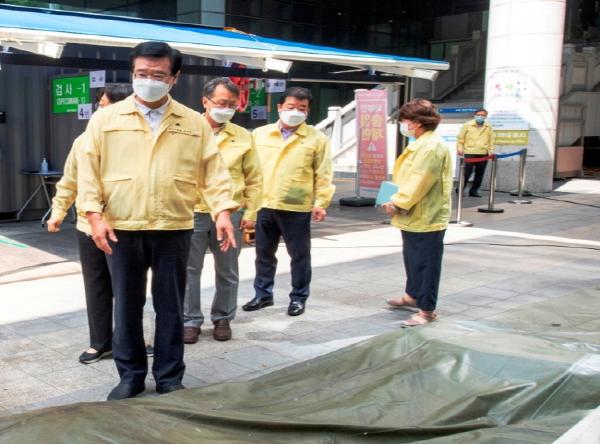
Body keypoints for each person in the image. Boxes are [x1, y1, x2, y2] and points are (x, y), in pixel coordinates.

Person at [76, 41, 239, 401]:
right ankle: (131, 376)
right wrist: (93, 215)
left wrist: (223, 210)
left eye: (158, 74)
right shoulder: (105, 119)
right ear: (132, 73)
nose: (148, 80)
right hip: (122, 226)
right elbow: (88, 170)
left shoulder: (193, 122)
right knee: (126, 305)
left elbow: (213, 172)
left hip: (173, 226)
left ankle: (169, 376)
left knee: (170, 306)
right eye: (142, 73)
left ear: (174, 78)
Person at [47, 83, 157, 364]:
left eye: (105, 105)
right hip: (88, 226)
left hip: (123, 227)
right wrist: (59, 210)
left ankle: (134, 340)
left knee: (128, 288)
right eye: (99, 105)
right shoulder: (83, 140)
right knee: (96, 286)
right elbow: (70, 179)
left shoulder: (140, 140)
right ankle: (100, 342)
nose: (99, 110)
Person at [242, 87, 335, 317]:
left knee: (299, 256)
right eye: (290, 107)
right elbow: (248, 170)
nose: (295, 112)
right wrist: (247, 202)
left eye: (302, 108)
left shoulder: (317, 139)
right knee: (263, 253)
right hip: (264, 204)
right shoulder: (260, 134)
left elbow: (323, 173)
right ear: (279, 107)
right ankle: (263, 294)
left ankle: (299, 298)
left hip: (296, 206)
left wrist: (321, 202)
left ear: (308, 111)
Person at [183, 77, 262, 344]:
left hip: (230, 212)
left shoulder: (243, 136)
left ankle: (223, 318)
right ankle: (190, 320)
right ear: (205, 102)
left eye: (231, 104)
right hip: (191, 210)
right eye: (221, 103)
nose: (226, 108)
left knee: (227, 269)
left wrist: (251, 212)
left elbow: (254, 178)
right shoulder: (185, 130)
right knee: (188, 269)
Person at [383, 99, 452, 327]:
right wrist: (392, 197)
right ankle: (412, 296)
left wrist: (397, 203)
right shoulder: (422, 143)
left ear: (418, 122)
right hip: (415, 215)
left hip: (426, 215)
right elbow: (407, 176)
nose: (403, 125)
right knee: (413, 259)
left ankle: (427, 311)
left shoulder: (431, 147)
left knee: (426, 264)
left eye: (405, 121)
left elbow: (419, 180)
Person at [456, 108, 494, 197]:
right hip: (470, 152)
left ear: (486, 116)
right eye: (478, 115)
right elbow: (460, 139)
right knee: (466, 173)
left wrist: (490, 151)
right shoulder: (467, 125)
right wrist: (459, 148)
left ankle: (474, 190)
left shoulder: (488, 126)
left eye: (482, 115)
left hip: (483, 153)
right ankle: (460, 189)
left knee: (479, 173)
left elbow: (491, 140)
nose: (480, 117)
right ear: (475, 115)